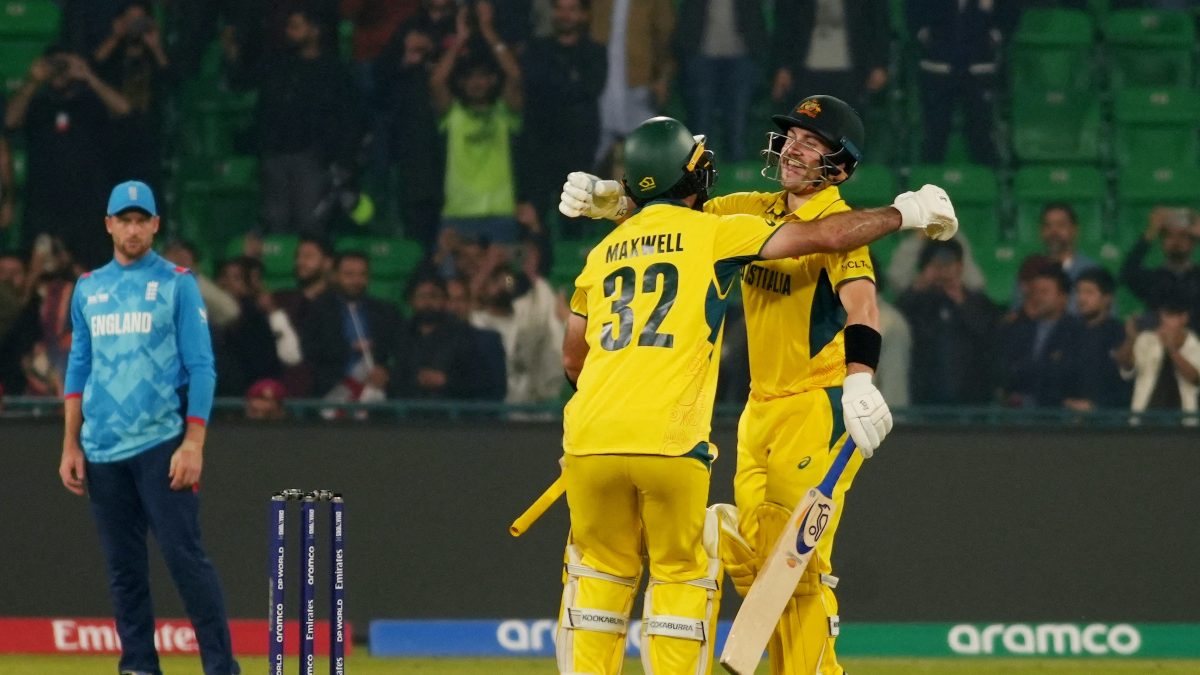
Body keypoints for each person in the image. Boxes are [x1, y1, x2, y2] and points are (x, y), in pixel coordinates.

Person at [560, 96, 959, 674]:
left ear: (840, 165)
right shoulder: (751, 207)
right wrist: (617, 200)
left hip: (815, 404)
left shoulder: (841, 223)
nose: (795, 146)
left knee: (792, 564)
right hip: (759, 409)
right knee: (766, 566)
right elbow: (676, 218)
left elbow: (862, 305)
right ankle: (729, 541)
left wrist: (860, 380)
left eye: (813, 141)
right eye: (792, 135)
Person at [57, 181, 240, 675]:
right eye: (125, 219)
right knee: (124, 571)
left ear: (156, 225)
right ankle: (138, 665)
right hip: (101, 449)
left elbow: (202, 367)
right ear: (109, 224)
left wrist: (194, 442)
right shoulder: (88, 288)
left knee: (185, 560)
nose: (134, 229)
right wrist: (70, 443)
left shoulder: (178, 283)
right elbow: (79, 367)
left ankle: (222, 668)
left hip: (162, 443)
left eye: (143, 220)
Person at [897, 239, 999, 405]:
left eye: (948, 264)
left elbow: (988, 335)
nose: (942, 271)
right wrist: (918, 287)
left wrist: (960, 301)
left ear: (960, 267)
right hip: (923, 397)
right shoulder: (914, 302)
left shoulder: (978, 302)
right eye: (935, 265)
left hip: (972, 400)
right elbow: (897, 325)